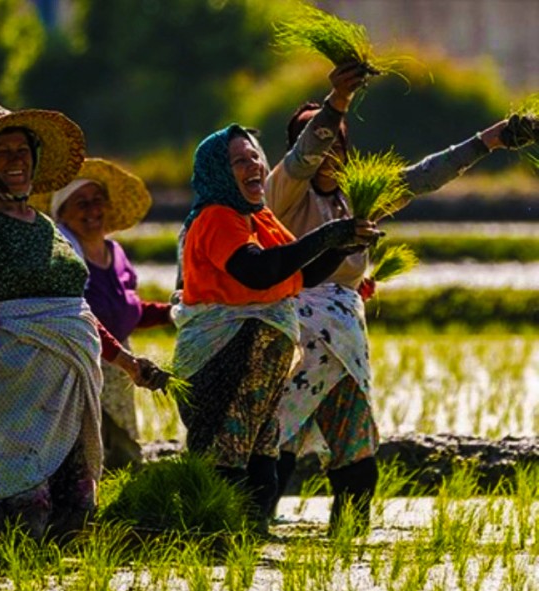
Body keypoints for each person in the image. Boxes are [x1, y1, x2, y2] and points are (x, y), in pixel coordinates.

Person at [265, 62, 539, 534]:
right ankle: (251, 531)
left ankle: (347, 543)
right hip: (294, 338)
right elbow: (307, 154)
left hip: (345, 344)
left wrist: (489, 140)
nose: (328, 150)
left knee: (356, 455)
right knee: (276, 443)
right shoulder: (285, 192)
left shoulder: (359, 198)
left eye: (337, 142)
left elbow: (425, 176)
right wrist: (337, 103)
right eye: (317, 141)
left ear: (349, 150)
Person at [0, 102, 169, 544]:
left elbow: (75, 312)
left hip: (72, 379)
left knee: (76, 501)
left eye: (22, 150)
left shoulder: (47, 228)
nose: (15, 160)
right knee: (29, 498)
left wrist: (126, 362)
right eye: (2, 152)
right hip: (17, 379)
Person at [172, 123, 381, 532]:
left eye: (254, 157)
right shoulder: (218, 217)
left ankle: (244, 554)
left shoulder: (261, 218)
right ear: (217, 170)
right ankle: (215, 550)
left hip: (261, 375)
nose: (252, 166)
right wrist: (326, 235)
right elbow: (258, 271)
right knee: (226, 464)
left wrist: (342, 246)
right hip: (223, 359)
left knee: (261, 470)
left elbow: (302, 275)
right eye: (238, 161)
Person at [30, 158, 172, 469]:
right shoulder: (63, 257)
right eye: (81, 203)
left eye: (97, 201)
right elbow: (74, 314)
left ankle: (112, 504)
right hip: (82, 364)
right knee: (86, 449)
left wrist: (170, 313)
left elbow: (127, 310)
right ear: (61, 214)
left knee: (121, 446)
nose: (92, 210)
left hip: (120, 364)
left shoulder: (116, 252)